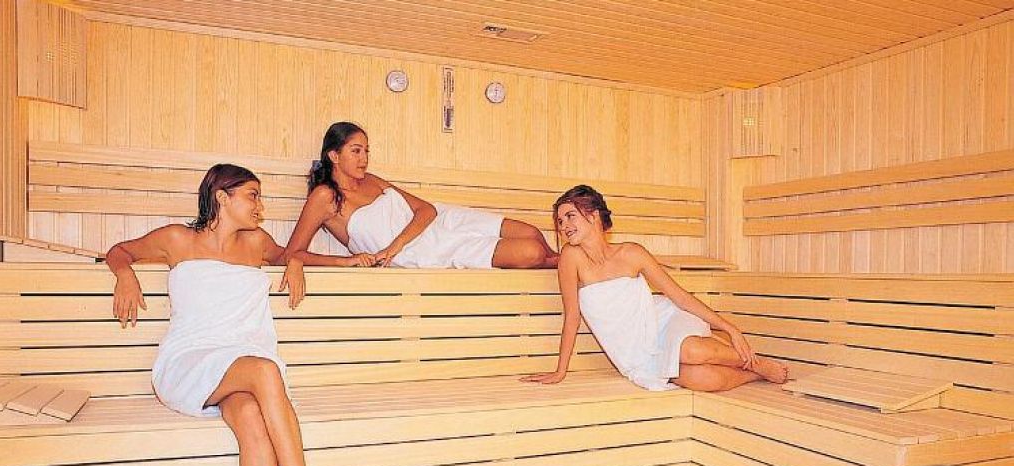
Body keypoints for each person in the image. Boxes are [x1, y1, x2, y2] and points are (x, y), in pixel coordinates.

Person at [106, 164, 350, 466]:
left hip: (240, 366)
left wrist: (295, 262)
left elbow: (292, 254)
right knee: (265, 370)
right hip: (191, 362)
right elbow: (121, 251)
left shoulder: (257, 243)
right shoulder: (177, 239)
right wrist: (125, 275)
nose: (260, 206)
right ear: (222, 196)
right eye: (252, 195)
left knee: (253, 419)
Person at [522, 185, 788, 392]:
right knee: (703, 378)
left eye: (570, 216)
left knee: (691, 351)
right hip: (635, 351)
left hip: (662, 321)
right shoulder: (571, 258)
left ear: (593, 216)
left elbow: (680, 297)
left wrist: (731, 329)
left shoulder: (632, 253)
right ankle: (754, 373)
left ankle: (758, 362)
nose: (564, 226)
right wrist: (560, 371)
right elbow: (572, 316)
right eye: (560, 221)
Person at [284, 121, 558, 269]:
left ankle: (568, 261)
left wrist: (394, 245)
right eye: (356, 151)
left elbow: (427, 209)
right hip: (427, 251)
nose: (364, 158)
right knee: (531, 252)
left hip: (438, 222)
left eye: (366, 151)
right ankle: (568, 264)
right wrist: (346, 261)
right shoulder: (324, 197)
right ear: (334, 155)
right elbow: (292, 254)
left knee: (532, 232)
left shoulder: (371, 180)